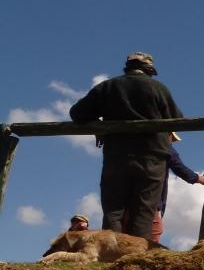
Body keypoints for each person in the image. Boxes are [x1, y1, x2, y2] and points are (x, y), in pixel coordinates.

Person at [69, 52, 183, 241]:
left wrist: (99, 126)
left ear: (127, 67)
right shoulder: (158, 88)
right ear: (149, 70)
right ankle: (134, 259)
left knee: (114, 211)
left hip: (116, 156)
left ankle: (108, 257)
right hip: (152, 159)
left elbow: (77, 113)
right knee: (144, 213)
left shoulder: (107, 87)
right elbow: (177, 121)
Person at [149, 133, 204, 246]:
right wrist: (200, 179)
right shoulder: (164, 146)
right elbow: (178, 166)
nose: (172, 142)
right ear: (169, 135)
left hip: (129, 199)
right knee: (153, 234)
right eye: (172, 139)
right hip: (151, 200)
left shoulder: (138, 147)